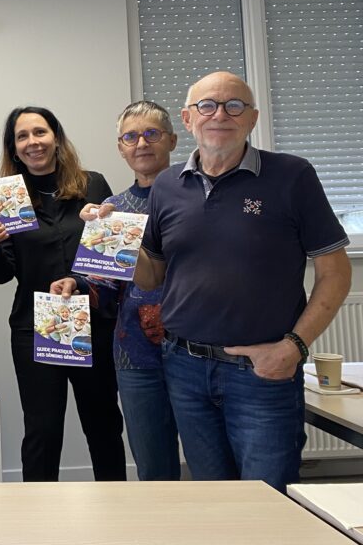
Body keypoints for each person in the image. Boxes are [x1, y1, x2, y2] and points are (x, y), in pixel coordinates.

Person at [136, 71, 351, 492]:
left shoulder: (292, 176)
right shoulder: (166, 185)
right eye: (207, 105)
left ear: (252, 118)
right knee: (213, 498)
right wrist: (112, 242)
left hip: (262, 373)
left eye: (234, 106)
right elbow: (153, 275)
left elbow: (335, 272)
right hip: (184, 368)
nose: (220, 115)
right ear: (187, 118)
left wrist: (295, 347)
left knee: (270, 499)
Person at [0, 106, 126, 482]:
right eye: (22, 136)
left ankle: (117, 509)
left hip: (93, 321)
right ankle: (36, 514)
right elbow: (2, 274)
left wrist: (77, 280)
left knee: (104, 424)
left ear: (56, 137)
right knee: (42, 431)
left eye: (39, 132)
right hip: (34, 326)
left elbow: (110, 256)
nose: (33, 142)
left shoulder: (93, 184)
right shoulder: (7, 197)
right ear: (13, 148)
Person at [57, 100, 181, 481]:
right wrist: (76, 284)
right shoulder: (111, 208)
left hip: (196, 352)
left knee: (212, 464)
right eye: (131, 137)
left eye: (151, 134)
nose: (141, 143)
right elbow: (105, 286)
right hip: (134, 356)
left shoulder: (196, 197)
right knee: (153, 468)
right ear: (120, 147)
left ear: (172, 140)